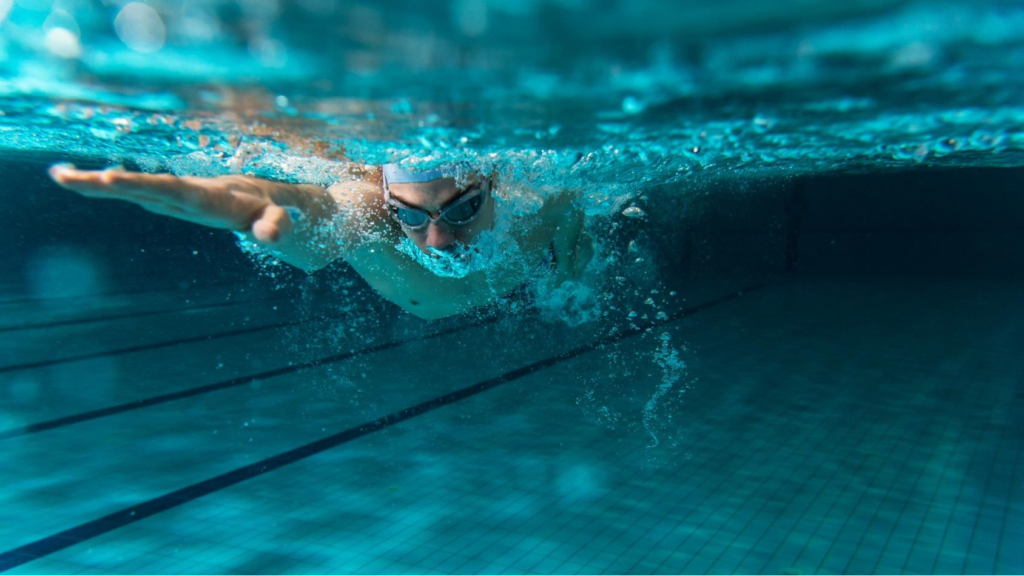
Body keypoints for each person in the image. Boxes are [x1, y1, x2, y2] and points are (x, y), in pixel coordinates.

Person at [49, 162, 593, 319]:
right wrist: (255, 204)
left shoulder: (550, 202)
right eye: (408, 214)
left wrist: (569, 292)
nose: (438, 238)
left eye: (465, 208)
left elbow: (575, 259)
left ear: (494, 183)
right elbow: (327, 216)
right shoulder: (366, 209)